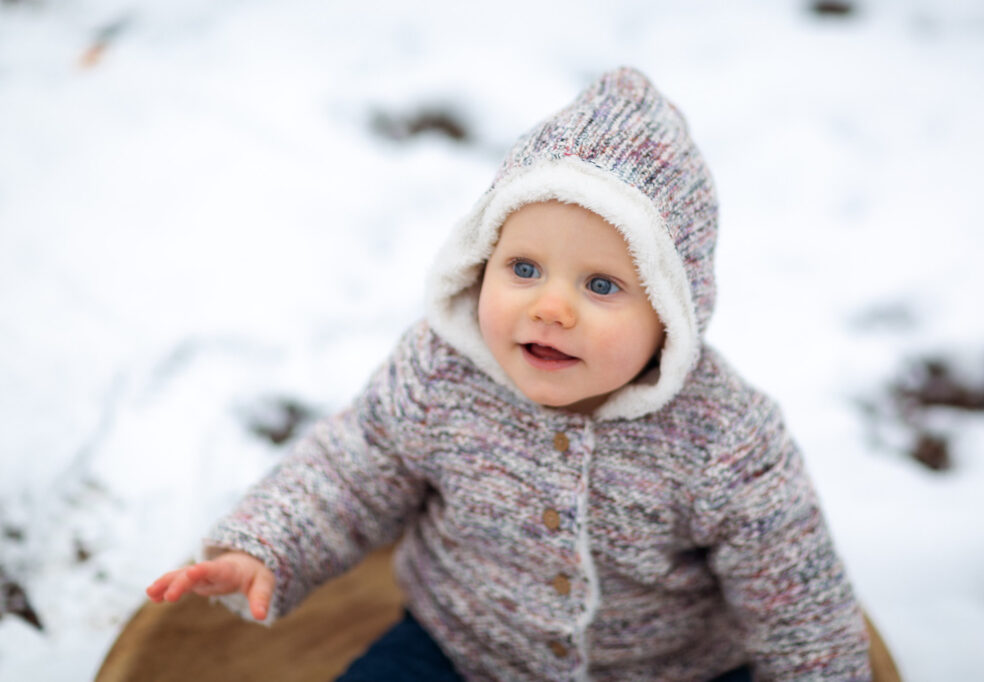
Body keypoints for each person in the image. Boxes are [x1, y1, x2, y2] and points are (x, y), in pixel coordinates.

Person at [146, 67, 871, 681]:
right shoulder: (441, 373)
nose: (550, 308)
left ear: (672, 315)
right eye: (523, 268)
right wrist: (266, 543)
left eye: (601, 286)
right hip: (461, 645)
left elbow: (797, 598)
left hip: (667, 668)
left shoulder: (724, 437)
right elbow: (352, 468)